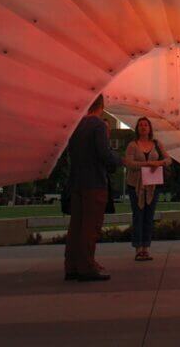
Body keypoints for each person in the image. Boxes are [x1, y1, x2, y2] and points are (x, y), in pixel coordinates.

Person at [65, 95, 119, 282]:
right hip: (95, 182)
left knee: (76, 226)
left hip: (77, 182)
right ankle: (87, 266)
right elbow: (104, 153)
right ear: (102, 106)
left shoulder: (76, 125)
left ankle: (71, 265)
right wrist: (118, 161)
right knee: (91, 226)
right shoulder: (98, 125)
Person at [123, 117, 172, 261]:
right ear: (137, 128)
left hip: (152, 185)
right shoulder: (132, 145)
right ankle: (138, 249)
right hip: (135, 185)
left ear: (150, 128)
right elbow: (129, 163)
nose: (143, 127)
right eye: (140, 125)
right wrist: (148, 164)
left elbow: (168, 160)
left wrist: (158, 163)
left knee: (149, 217)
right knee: (138, 216)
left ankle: (146, 248)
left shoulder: (157, 144)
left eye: (145, 125)